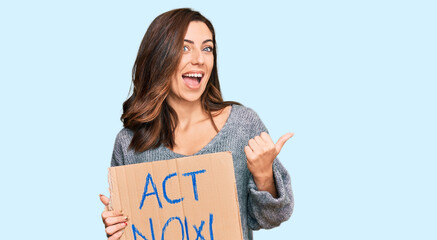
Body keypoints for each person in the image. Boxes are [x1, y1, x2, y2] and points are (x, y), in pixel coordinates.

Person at [99, 8, 294, 240]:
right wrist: (118, 226)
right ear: (159, 56)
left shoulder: (243, 125)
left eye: (207, 48)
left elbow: (272, 217)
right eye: (184, 47)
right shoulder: (129, 143)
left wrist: (264, 176)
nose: (199, 59)